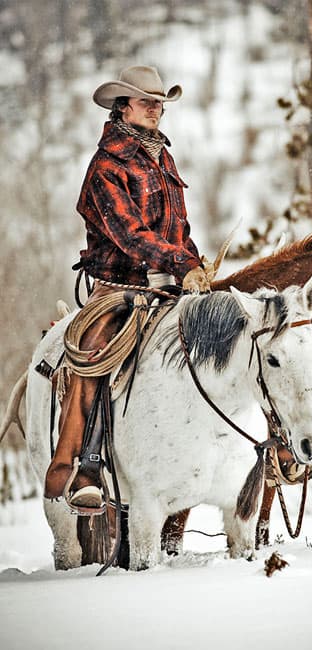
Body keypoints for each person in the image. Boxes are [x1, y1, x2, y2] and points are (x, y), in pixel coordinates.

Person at [44, 65, 210, 509]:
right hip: (119, 288)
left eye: (159, 102)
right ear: (123, 106)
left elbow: (178, 228)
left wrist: (193, 263)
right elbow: (129, 234)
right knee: (95, 356)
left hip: (167, 283)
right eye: (146, 101)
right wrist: (179, 261)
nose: (156, 108)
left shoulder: (163, 157)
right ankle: (87, 466)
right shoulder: (106, 165)